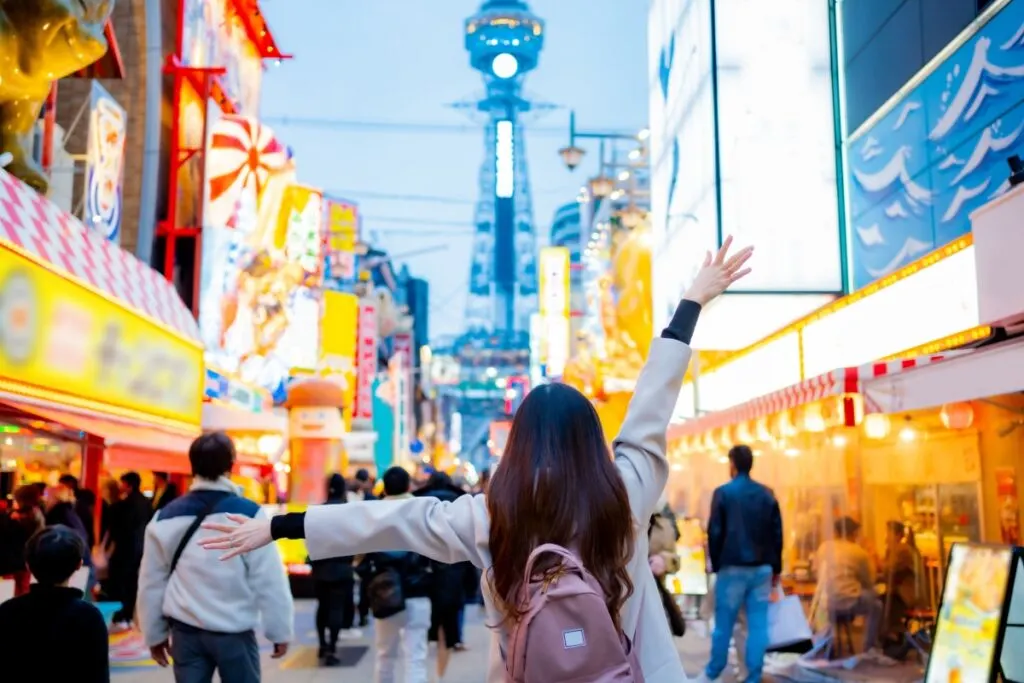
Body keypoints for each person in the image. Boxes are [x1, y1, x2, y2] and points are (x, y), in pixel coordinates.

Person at [200, 238, 753, 683]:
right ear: (590, 438)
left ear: (519, 444)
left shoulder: (492, 514)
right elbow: (650, 407)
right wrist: (691, 302)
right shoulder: (626, 492)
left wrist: (281, 525)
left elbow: (389, 518)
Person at [137, 432, 293, 683]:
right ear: (231, 465)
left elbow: (151, 581)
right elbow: (268, 578)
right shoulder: (248, 514)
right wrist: (279, 630)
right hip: (235, 631)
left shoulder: (164, 517)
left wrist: (154, 635)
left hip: (185, 632)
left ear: (192, 466)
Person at [701, 444, 783, 683]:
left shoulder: (724, 493)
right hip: (762, 569)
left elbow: (715, 531)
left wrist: (716, 563)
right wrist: (776, 568)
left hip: (732, 567)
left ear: (733, 464)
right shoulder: (767, 494)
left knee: (724, 624)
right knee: (757, 625)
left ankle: (713, 671)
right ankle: (753, 676)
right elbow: (777, 534)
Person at [355, 466, 434, 683]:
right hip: (417, 591)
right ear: (409, 486)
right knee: (416, 660)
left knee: (384, 657)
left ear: (385, 488)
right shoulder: (423, 512)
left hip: (385, 591)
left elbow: (360, 557)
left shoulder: (373, 514)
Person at [0, 525, 109, 682]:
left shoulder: (7, 612)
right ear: (79, 565)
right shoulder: (90, 617)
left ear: (28, 565)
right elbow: (98, 676)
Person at [415, 471, 475, 678]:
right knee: (447, 636)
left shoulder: (419, 502)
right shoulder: (461, 503)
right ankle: (439, 676)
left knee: (418, 636)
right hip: (453, 577)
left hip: (423, 580)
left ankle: (425, 675)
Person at [815, 516, 883, 653]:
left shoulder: (823, 547)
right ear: (854, 534)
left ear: (836, 532)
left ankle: (825, 641)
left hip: (826, 602)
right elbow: (868, 581)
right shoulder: (859, 552)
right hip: (849, 603)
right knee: (877, 604)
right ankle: (869, 647)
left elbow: (817, 572)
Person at [310, 473, 358, 666]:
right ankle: (332, 647)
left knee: (322, 606)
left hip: (321, 567)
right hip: (342, 567)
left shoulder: (317, 511)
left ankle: (322, 644)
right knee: (336, 608)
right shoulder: (349, 512)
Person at [106, 471, 152, 628]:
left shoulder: (123, 505)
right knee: (133, 583)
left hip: (124, 549)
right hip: (140, 548)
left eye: (123, 483)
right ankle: (128, 616)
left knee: (121, 583)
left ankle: (120, 616)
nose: (121, 486)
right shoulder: (146, 503)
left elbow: (118, 529)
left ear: (129, 485)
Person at [0, 485, 45, 596]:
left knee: (11, 592)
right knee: (23, 590)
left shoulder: (17, 518)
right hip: (25, 561)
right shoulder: (37, 515)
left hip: (13, 562)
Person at [59, 474, 97, 548]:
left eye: (64, 485)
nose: (63, 488)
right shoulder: (72, 496)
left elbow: (89, 511)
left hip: (82, 527)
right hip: (81, 529)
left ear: (71, 483)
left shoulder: (83, 495)